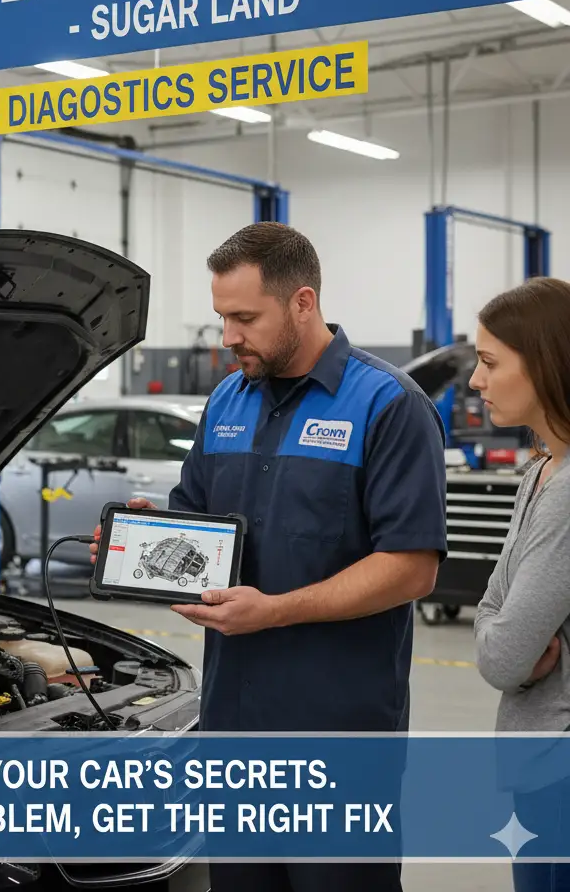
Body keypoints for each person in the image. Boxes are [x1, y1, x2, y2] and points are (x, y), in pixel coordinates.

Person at [91, 222, 448, 892]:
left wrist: (277, 611)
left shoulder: (388, 406)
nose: (228, 336)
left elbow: (411, 566)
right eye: (222, 316)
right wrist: (150, 540)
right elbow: (198, 523)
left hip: (336, 737)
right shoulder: (227, 399)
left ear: (303, 303)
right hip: (235, 727)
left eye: (244, 318)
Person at [470, 278, 570, 892]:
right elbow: (492, 612)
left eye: (489, 362)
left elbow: (504, 657)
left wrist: (500, 633)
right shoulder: (539, 472)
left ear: (547, 363)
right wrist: (499, 629)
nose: (477, 382)